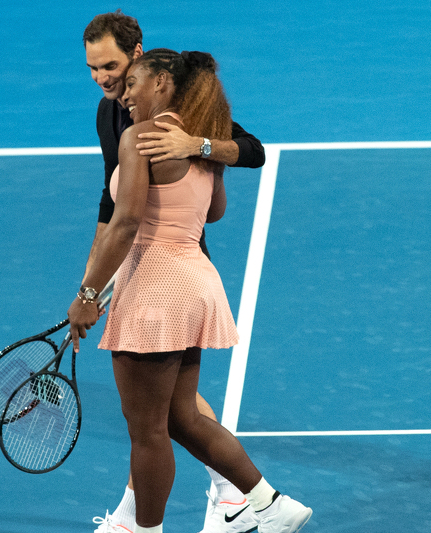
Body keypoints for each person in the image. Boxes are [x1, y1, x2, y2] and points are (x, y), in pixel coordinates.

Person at [68, 47, 313, 533]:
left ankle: (144, 531)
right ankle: (270, 505)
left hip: (157, 290)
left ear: (161, 82)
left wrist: (89, 294)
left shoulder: (141, 138)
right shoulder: (201, 138)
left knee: (147, 432)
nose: (127, 95)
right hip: (195, 282)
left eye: (133, 82)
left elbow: (127, 222)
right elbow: (213, 212)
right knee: (182, 418)